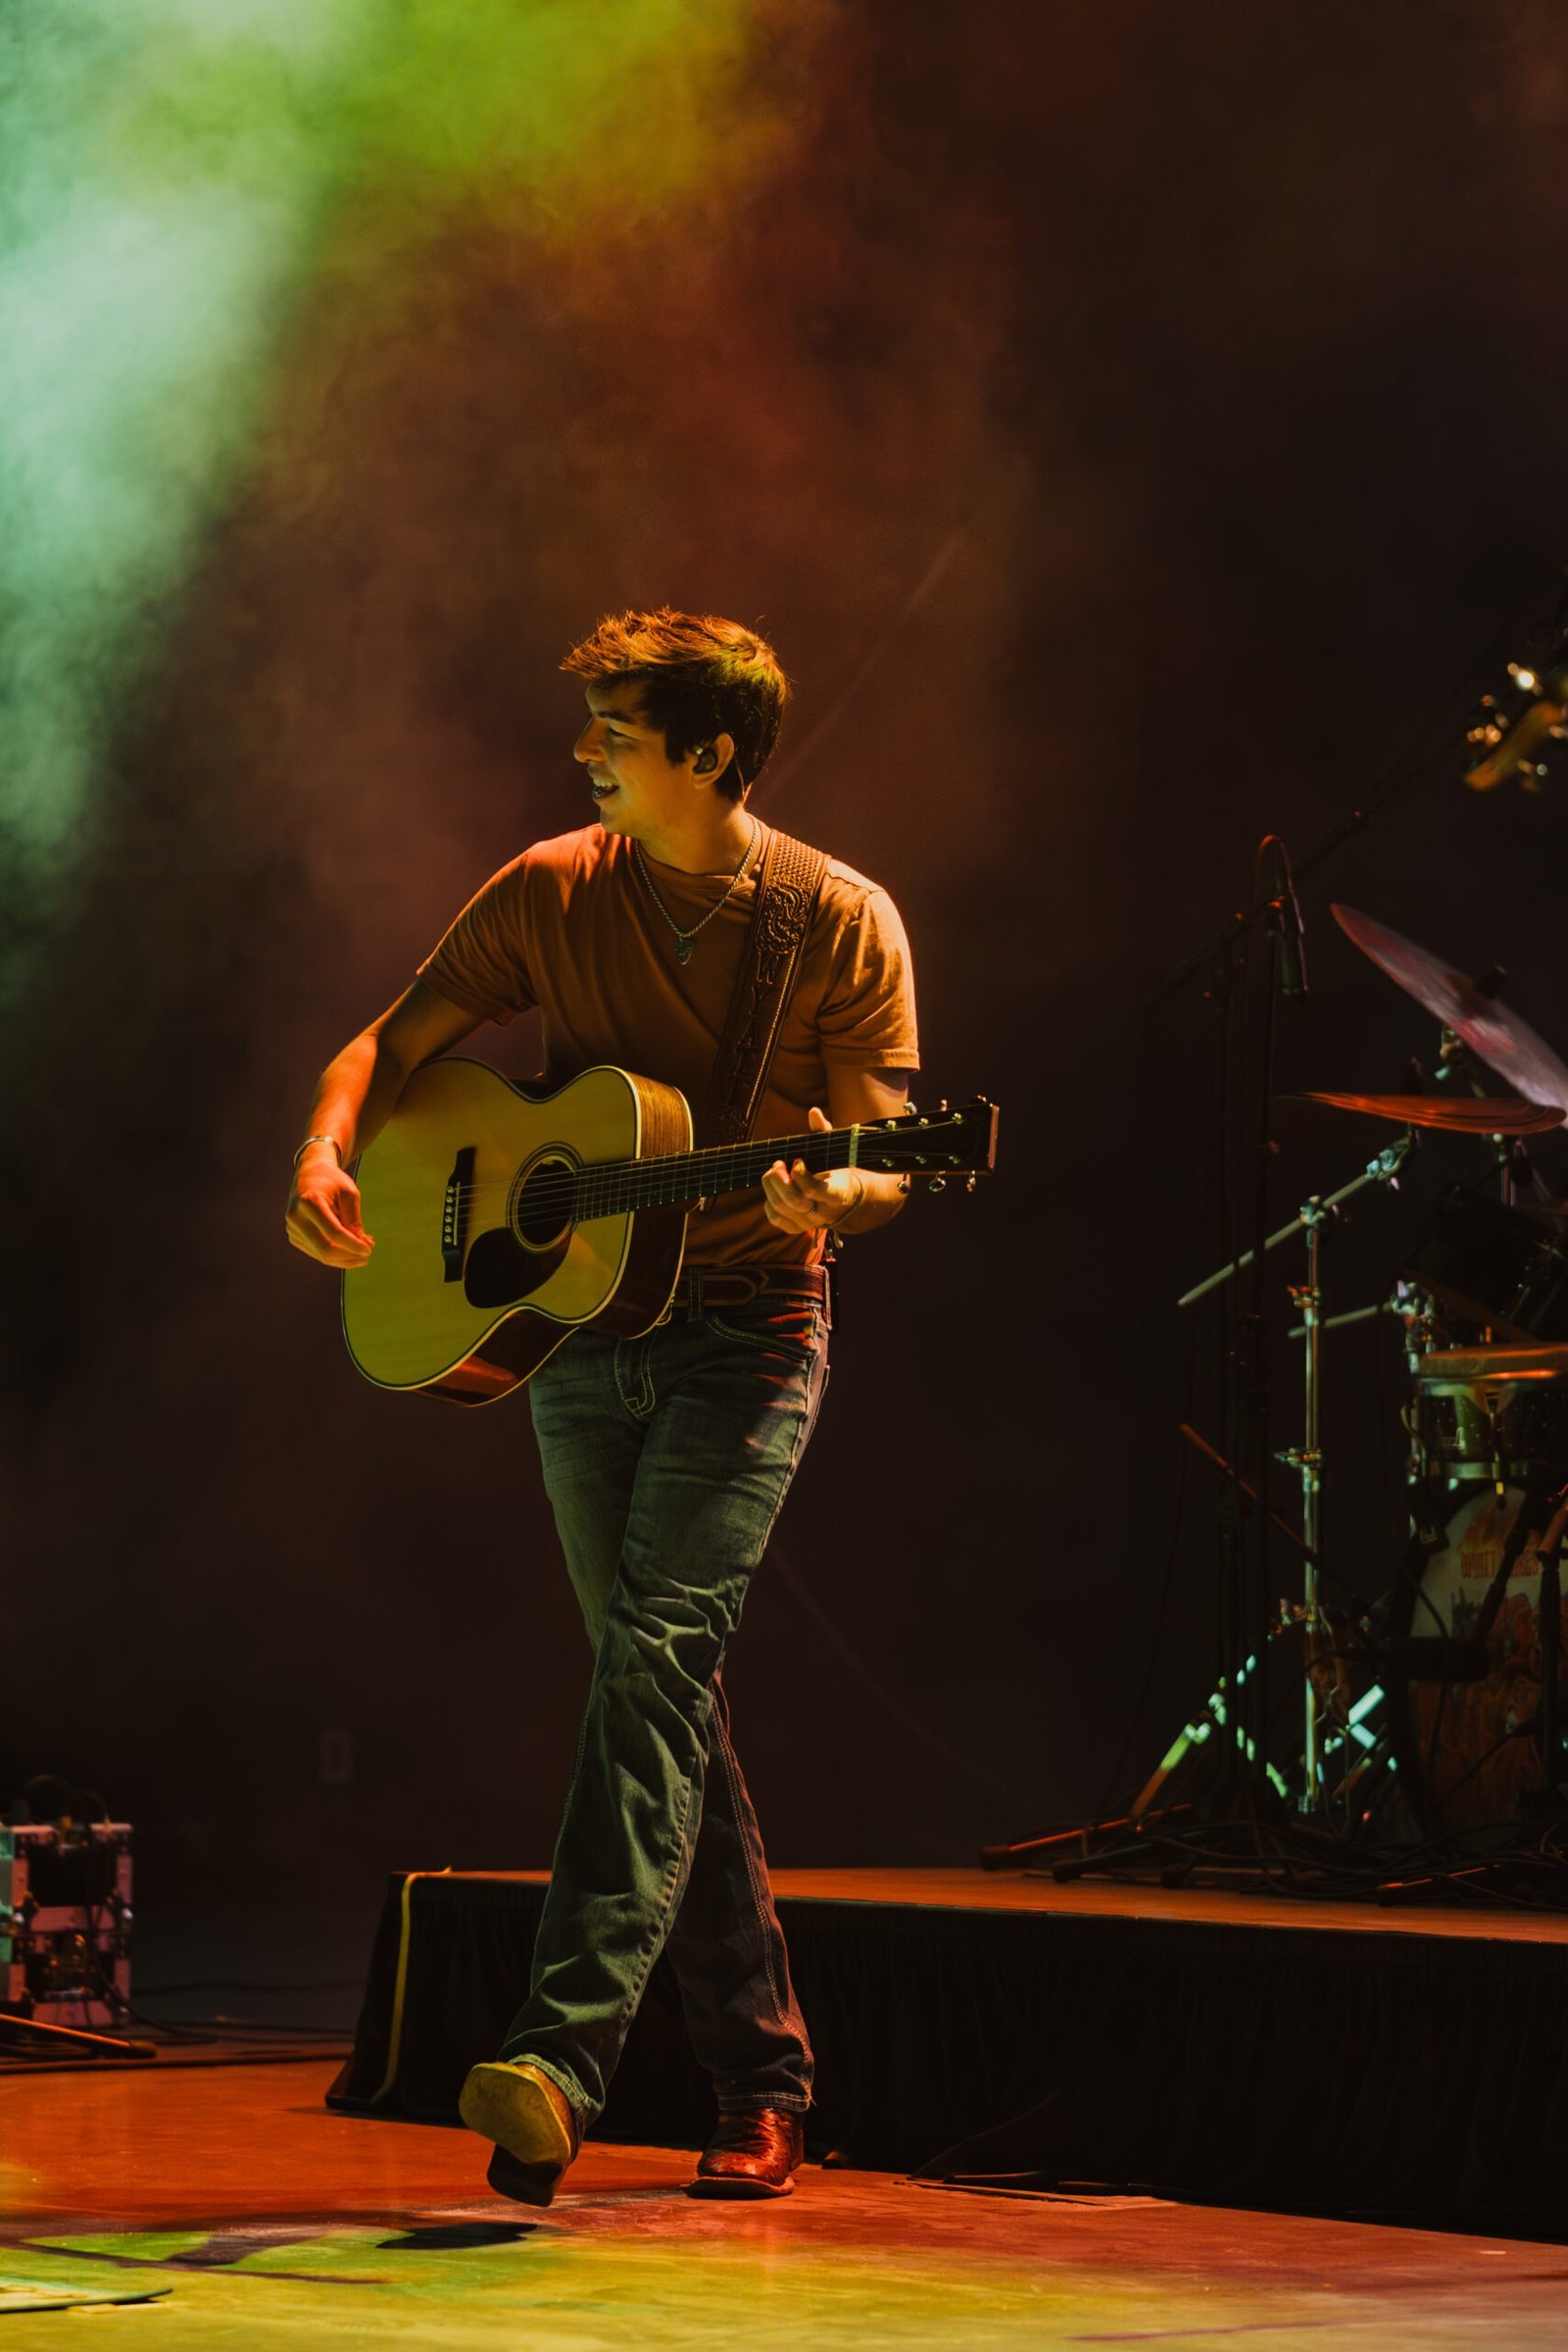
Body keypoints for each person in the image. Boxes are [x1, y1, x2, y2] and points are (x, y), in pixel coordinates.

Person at [285, 610, 918, 2203]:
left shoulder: (840, 922)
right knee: (663, 1689)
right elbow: (390, 1043)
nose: (583, 755)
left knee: (654, 1664)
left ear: (711, 754)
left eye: (616, 734)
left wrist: (836, 1194)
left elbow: (885, 1156)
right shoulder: (552, 888)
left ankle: (557, 2062)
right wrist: (325, 1148)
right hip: (575, 1334)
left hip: (748, 1337)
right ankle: (762, 2075)